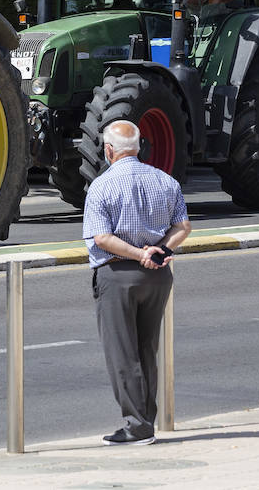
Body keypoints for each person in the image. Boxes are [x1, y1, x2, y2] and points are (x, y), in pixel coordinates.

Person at [83, 119, 192, 446]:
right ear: (139, 147)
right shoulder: (165, 181)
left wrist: (137, 253)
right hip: (157, 276)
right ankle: (146, 420)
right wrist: (159, 250)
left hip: (118, 276)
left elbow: (102, 237)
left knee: (122, 353)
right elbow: (183, 226)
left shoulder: (101, 186)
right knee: (147, 349)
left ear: (109, 150)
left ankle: (136, 425)